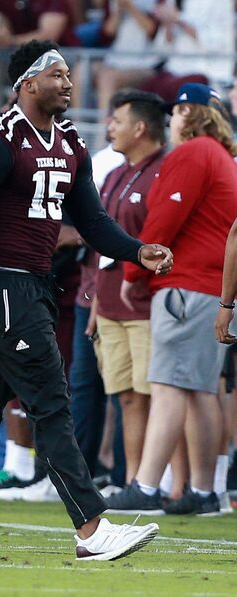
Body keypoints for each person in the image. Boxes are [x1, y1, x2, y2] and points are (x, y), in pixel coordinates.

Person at [0, 40, 173, 559]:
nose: (68, 83)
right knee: (50, 400)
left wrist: (136, 250)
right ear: (27, 83)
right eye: (58, 74)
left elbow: (90, 221)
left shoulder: (70, 142)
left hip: (32, 285)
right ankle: (91, 530)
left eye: (68, 74)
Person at [107, 82, 237, 515]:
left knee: (166, 387)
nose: (172, 119)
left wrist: (133, 269)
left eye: (178, 111)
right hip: (211, 287)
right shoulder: (220, 156)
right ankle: (203, 491)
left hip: (185, 284)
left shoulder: (194, 153)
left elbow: (164, 217)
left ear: (193, 115)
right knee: (200, 391)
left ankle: (145, 486)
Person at [88, 89, 167, 489]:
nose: (110, 128)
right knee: (126, 398)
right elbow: (102, 245)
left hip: (147, 303)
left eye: (117, 121)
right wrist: (95, 306)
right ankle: (133, 479)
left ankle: (158, 480)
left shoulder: (164, 171)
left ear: (139, 127)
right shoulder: (116, 172)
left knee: (154, 395)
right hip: (109, 301)